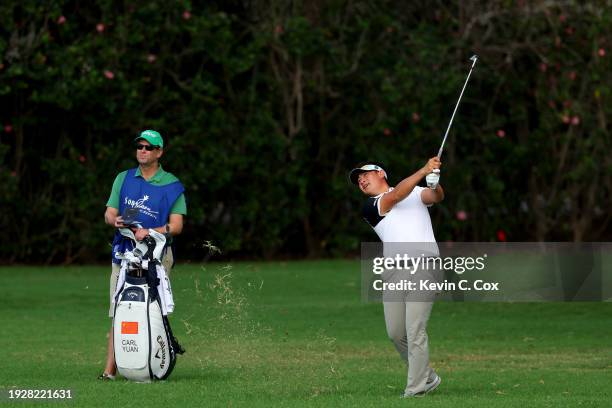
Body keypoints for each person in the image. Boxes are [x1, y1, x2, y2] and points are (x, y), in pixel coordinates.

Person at [349, 158, 444, 397]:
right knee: (396, 333)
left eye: (365, 174)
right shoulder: (371, 206)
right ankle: (428, 377)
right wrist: (423, 170)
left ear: (381, 173)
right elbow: (396, 197)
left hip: (424, 265)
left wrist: (434, 183)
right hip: (393, 272)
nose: (361, 179)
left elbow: (435, 198)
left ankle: (416, 389)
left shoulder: (414, 191)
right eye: (358, 179)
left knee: (415, 330)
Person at [98, 129, 187, 380]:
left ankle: (154, 362)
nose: (143, 151)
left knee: (153, 311)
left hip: (157, 256)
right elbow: (109, 213)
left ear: (159, 152)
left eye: (149, 147)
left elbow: (176, 226)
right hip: (124, 254)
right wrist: (115, 220)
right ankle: (109, 371)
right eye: (140, 146)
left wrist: (150, 231)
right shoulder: (123, 178)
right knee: (119, 308)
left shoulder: (172, 185)